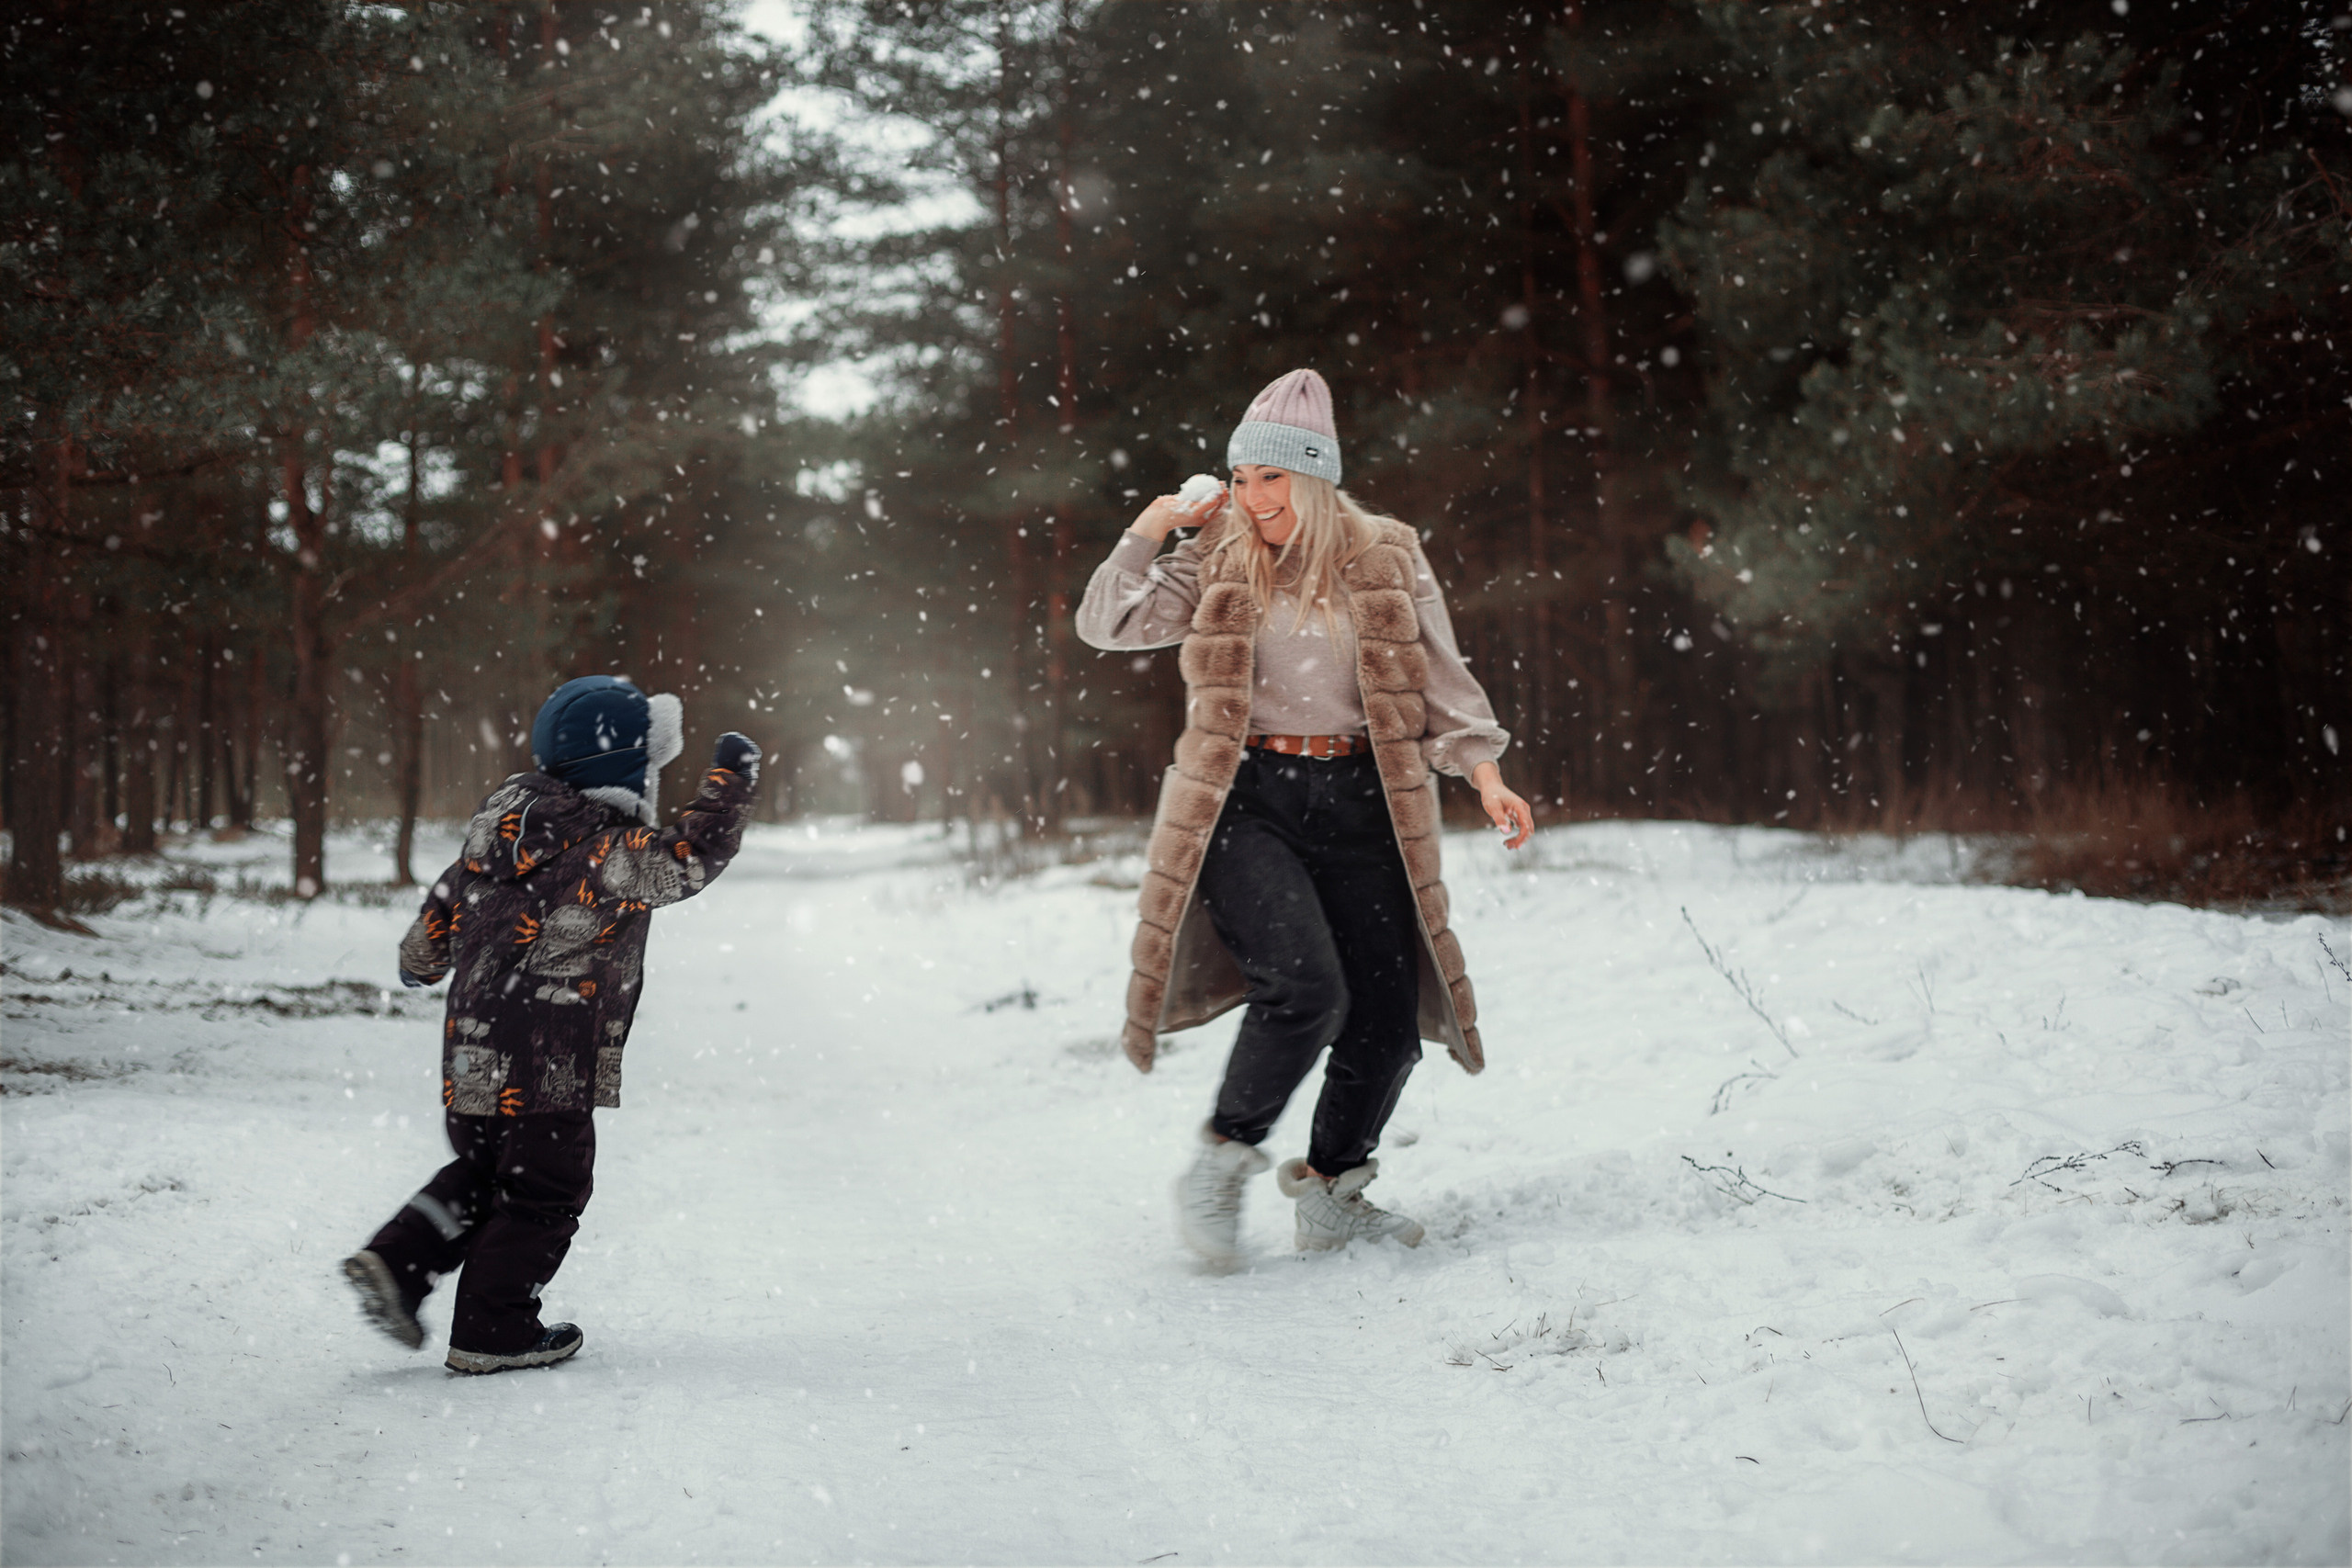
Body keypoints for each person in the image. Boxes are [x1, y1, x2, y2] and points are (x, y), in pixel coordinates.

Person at [1077, 368, 1534, 1267]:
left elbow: (1443, 679)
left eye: (1270, 479)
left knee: (1387, 1025)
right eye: (1241, 478)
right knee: (1303, 989)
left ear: (1316, 479)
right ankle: (1220, 1162)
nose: (1252, 497)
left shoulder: (1389, 556)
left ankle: (1332, 1187)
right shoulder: (1214, 554)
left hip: (1364, 803)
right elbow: (1107, 623)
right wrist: (1153, 526)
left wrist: (1485, 775)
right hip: (1248, 802)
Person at [341, 676, 761, 1373]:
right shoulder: (609, 852)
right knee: (544, 1192)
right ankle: (493, 1326)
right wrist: (729, 782)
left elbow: (425, 945)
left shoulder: (487, 844)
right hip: (550, 1059)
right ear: (627, 771)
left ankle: (396, 1260)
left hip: (470, 1054)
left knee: (483, 1174)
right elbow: (691, 857)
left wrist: (423, 962)